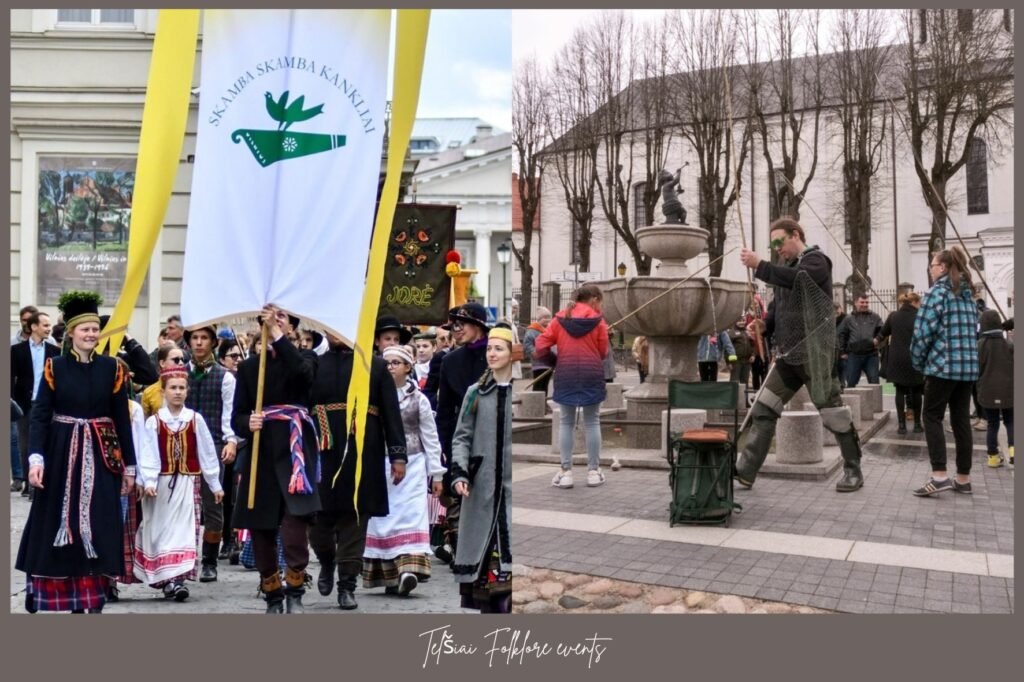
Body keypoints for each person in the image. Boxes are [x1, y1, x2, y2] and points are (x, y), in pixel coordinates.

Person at [16, 290, 137, 613]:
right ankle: (54, 590)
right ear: (71, 333)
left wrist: (130, 467)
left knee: (99, 519)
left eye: (95, 329)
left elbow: (122, 419)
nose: (91, 334)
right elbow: (40, 413)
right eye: (85, 329)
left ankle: (93, 594)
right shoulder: (55, 367)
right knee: (57, 516)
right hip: (60, 452)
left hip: (101, 453)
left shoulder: (112, 368)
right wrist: (36, 458)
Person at [736, 217, 864, 492]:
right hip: (787, 359)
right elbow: (778, 308)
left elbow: (798, 280)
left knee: (834, 414)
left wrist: (760, 265)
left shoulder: (817, 262)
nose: (776, 249)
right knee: (763, 409)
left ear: (796, 235)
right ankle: (745, 471)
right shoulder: (785, 269)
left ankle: (854, 470)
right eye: (772, 246)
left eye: (779, 242)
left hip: (815, 356)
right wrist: (763, 325)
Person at [231, 305, 320, 613]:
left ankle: (295, 589)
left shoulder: (305, 359)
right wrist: (247, 423)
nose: (275, 323)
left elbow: (303, 375)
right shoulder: (249, 367)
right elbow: (237, 416)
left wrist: (281, 335)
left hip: (295, 451)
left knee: (296, 523)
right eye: (271, 320)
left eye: (282, 319)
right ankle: (272, 593)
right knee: (261, 526)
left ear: (292, 327)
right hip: (262, 451)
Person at [308, 331, 405, 610]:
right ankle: (327, 562)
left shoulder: (373, 365)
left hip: (364, 451)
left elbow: (391, 413)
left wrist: (398, 456)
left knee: (356, 518)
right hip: (322, 451)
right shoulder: (313, 364)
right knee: (317, 521)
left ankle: (347, 584)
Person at [133, 366, 223, 601]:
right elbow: (148, 452)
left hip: (187, 481)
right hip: (160, 485)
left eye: (182, 388)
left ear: (187, 391)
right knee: (160, 530)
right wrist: (149, 480)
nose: (178, 392)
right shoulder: (154, 422)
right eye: (173, 388)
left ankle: (178, 580)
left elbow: (206, 451)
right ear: (163, 391)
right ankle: (166, 579)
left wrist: (214, 483)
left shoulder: (195, 419)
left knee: (183, 529)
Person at [362, 344, 444, 597]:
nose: (390, 368)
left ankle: (409, 569)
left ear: (408, 367)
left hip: (413, 465)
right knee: (381, 519)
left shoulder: (418, 399)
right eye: (387, 363)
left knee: (412, 514)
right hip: (380, 464)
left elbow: (430, 437)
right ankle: (387, 573)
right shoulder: (371, 396)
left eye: (396, 363)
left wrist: (437, 473)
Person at [450, 326, 514, 613]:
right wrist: (461, 473)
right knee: (486, 586)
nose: (492, 353)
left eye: (499, 348)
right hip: (482, 486)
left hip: (511, 491)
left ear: (512, 354)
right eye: (489, 348)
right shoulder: (475, 393)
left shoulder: (518, 394)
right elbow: (461, 436)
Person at [910, 246, 980, 496]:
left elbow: (922, 334)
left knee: (931, 416)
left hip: (942, 366)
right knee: (961, 420)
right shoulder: (969, 297)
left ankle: (939, 475)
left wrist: (919, 363)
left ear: (942, 268)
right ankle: (963, 478)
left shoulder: (936, 293)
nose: (930, 268)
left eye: (932, 264)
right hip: (968, 368)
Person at [535, 284, 609, 489]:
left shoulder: (559, 319)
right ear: (594, 300)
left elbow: (540, 346)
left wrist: (554, 361)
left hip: (565, 373)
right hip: (591, 373)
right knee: (592, 421)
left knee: (566, 422)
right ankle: (593, 471)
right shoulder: (598, 321)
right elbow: (603, 352)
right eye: (600, 302)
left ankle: (566, 471)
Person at [184, 324, 240, 580]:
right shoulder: (180, 374)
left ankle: (209, 560)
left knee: (213, 504)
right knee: (180, 503)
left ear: (213, 343)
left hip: (214, 443)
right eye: (194, 338)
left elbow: (229, 412)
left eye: (203, 338)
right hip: (183, 442)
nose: (198, 343)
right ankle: (182, 557)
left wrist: (231, 441)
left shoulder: (224, 376)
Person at [436, 303, 490, 557]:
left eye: (462, 323)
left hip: (492, 433)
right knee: (462, 490)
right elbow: (445, 411)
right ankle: (462, 546)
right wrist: (442, 448)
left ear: (478, 325)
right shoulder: (450, 361)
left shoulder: (495, 354)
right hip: (464, 435)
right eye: (453, 325)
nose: (456, 329)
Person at [11, 310, 60, 497]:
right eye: (45, 325)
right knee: (25, 445)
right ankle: (29, 483)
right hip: (25, 403)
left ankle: (41, 482)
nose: (49, 329)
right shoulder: (17, 350)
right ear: (33, 327)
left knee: (45, 442)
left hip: (48, 404)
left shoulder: (54, 351)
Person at [879, 293, 925, 435]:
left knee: (900, 391)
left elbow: (883, 333)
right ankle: (917, 424)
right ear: (915, 302)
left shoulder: (893, 316)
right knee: (916, 390)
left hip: (897, 359)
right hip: (915, 357)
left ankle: (901, 426)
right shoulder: (919, 316)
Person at [977, 309, 1013, 468]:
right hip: (1009, 390)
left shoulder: (980, 345)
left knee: (992, 424)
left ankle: (992, 457)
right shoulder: (1009, 344)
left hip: (987, 391)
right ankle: (1013, 452)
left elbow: (977, 369)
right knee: (1011, 422)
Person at [838, 294, 883, 387]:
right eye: (862, 302)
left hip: (871, 355)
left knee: (874, 383)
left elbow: (882, 331)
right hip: (854, 355)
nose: (865, 304)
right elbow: (842, 335)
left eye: (866, 302)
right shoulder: (849, 318)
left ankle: (875, 401)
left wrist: (878, 339)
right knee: (851, 383)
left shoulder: (875, 317)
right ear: (856, 303)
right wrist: (842, 352)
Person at [141, 345, 187, 418]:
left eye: (182, 360)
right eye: (176, 360)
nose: (181, 363)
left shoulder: (189, 387)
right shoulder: (149, 392)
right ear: (162, 363)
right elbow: (145, 423)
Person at [523, 306, 553, 393]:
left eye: (549, 317)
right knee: (538, 384)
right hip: (539, 363)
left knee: (545, 385)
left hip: (548, 362)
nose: (547, 320)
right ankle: (536, 403)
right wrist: (533, 352)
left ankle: (543, 402)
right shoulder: (533, 330)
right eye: (545, 318)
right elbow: (527, 344)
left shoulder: (549, 330)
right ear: (539, 319)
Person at [728, 319, 756, 387]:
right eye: (739, 321)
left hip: (747, 361)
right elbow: (727, 348)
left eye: (743, 321)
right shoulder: (731, 332)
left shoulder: (747, 332)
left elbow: (753, 345)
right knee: (734, 382)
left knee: (745, 382)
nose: (742, 323)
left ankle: (744, 398)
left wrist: (753, 355)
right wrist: (728, 362)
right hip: (735, 361)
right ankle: (733, 397)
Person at [748, 319, 770, 391]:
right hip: (756, 357)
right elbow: (752, 346)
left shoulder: (765, 336)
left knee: (764, 375)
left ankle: (763, 391)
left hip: (764, 356)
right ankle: (756, 391)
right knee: (755, 375)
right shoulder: (752, 335)